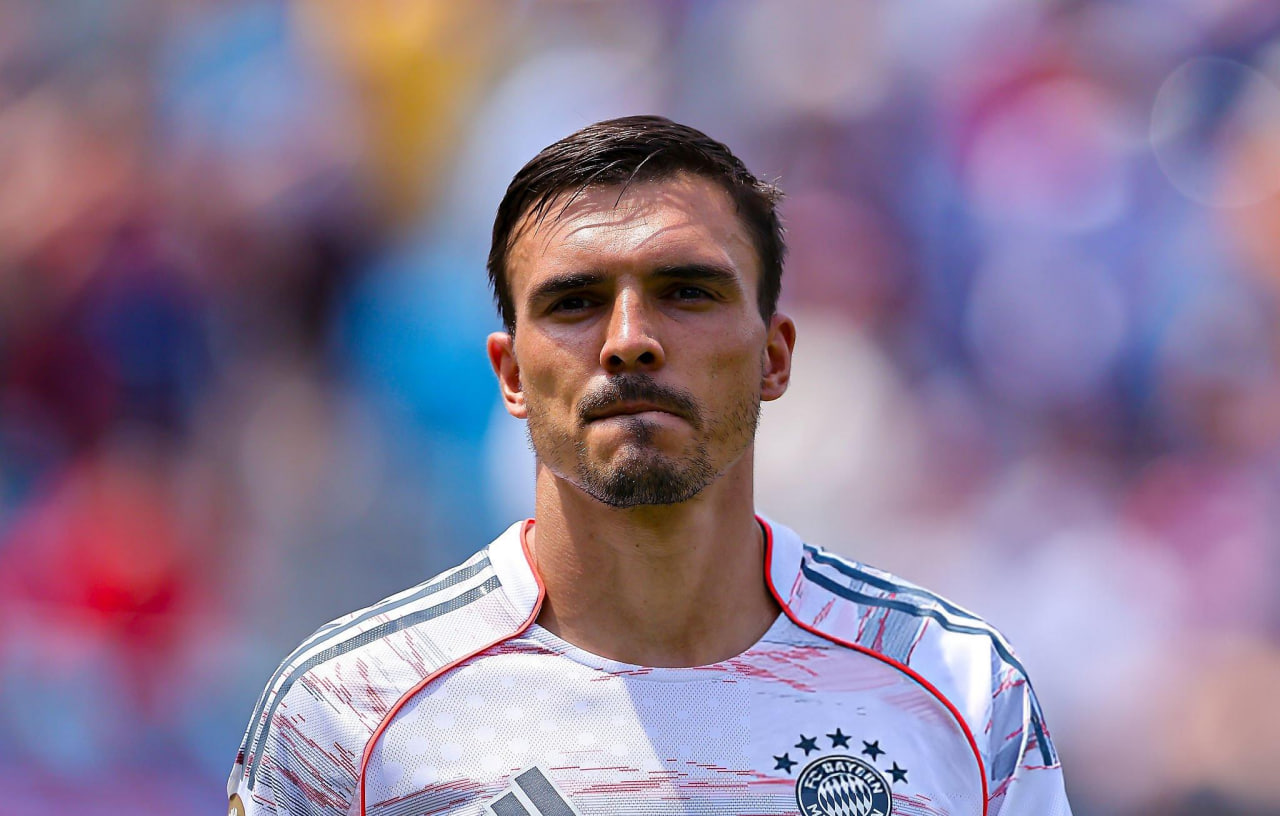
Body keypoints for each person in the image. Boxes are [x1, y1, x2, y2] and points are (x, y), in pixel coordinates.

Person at [228, 116, 1072, 816]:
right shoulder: (349, 718)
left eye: (687, 291)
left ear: (775, 356)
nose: (630, 340)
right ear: (511, 375)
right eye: (575, 302)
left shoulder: (959, 690)